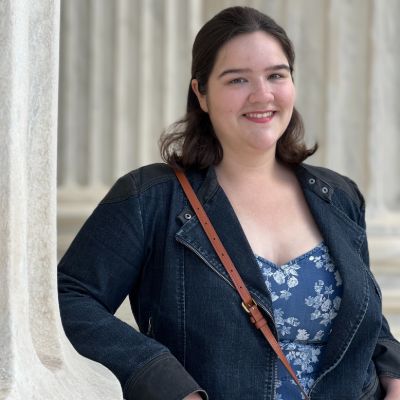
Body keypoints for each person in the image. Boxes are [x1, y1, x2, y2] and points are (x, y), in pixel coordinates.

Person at [58, 6, 400, 400]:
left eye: (276, 75)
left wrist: (394, 372)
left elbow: (367, 324)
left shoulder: (339, 196)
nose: (262, 94)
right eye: (237, 79)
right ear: (201, 94)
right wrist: (165, 381)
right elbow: (69, 299)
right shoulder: (150, 197)